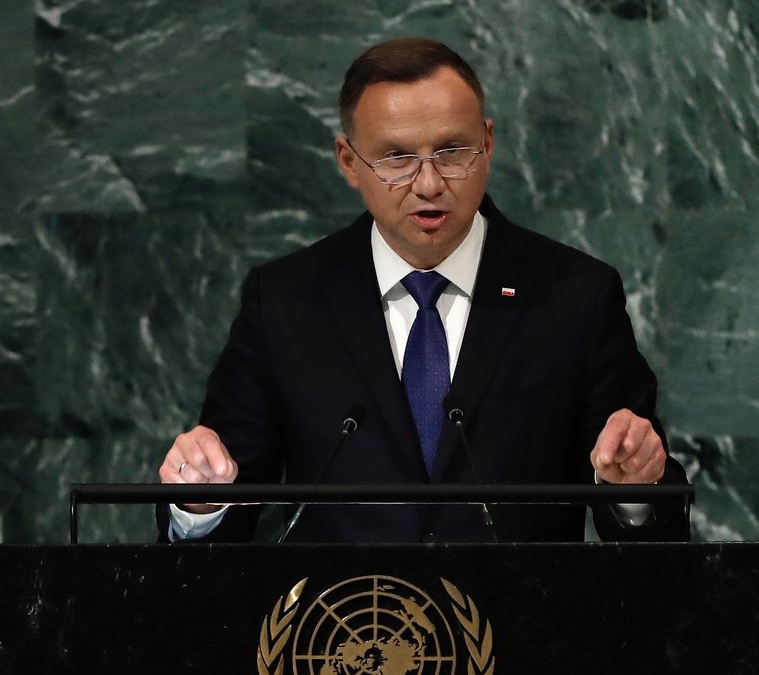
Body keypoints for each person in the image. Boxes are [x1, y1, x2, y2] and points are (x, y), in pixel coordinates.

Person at [155, 38, 688, 543]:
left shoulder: (575, 297)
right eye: (396, 158)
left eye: (452, 151)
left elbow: (650, 512)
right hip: (344, 631)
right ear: (349, 162)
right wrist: (201, 502)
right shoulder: (286, 302)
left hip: (525, 628)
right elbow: (225, 494)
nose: (429, 184)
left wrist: (632, 488)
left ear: (488, 144)